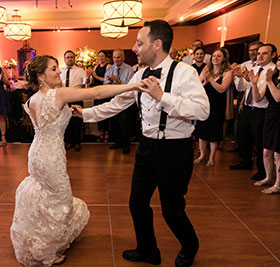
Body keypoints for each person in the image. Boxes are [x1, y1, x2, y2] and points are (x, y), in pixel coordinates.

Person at [72, 20, 209, 266]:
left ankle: (190, 245)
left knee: (172, 209)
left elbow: (202, 110)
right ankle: (148, 251)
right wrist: (85, 115)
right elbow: (118, 104)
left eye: (139, 43)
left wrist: (162, 96)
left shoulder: (184, 72)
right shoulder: (139, 74)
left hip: (175, 150)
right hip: (146, 147)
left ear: (157, 44)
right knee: (137, 203)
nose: (134, 48)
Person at [10, 55, 149, 266]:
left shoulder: (32, 100)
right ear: (41, 76)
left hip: (36, 153)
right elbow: (96, 92)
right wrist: (134, 86)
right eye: (54, 69)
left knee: (45, 197)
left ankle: (39, 240)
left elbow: (48, 121)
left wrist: (71, 113)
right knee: (60, 201)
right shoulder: (59, 94)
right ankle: (48, 251)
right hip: (51, 157)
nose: (59, 72)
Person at [230, 44, 276, 180]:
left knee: (260, 141)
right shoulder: (253, 68)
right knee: (242, 135)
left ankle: (262, 171)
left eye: (264, 53)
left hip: (262, 110)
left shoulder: (274, 70)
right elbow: (242, 88)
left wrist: (252, 82)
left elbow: (263, 92)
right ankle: (246, 162)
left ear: (273, 55)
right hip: (248, 107)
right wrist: (239, 77)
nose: (260, 56)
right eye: (259, 53)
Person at [193, 48, 233, 167]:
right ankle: (202, 155)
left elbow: (222, 89)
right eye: (214, 56)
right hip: (205, 103)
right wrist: (205, 82)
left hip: (218, 104)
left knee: (214, 130)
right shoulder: (207, 69)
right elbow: (198, 85)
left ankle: (211, 157)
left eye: (218, 56)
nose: (215, 58)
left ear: (224, 58)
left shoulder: (228, 71)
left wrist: (210, 80)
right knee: (202, 129)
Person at [250, 52, 280, 194]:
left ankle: (278, 184)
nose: (279, 62)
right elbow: (257, 98)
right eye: (279, 60)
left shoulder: (270, 80)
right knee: (266, 150)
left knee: (278, 154)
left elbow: (278, 97)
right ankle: (268, 177)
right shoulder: (272, 78)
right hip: (271, 115)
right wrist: (254, 85)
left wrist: (268, 81)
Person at [104, 49, 135, 154]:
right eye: (114, 57)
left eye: (118, 57)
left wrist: (118, 81)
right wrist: (109, 81)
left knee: (126, 124)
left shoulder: (129, 69)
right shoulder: (110, 69)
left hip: (125, 100)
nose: (115, 59)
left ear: (123, 58)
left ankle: (126, 145)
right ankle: (118, 142)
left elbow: (131, 86)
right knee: (114, 123)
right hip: (113, 100)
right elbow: (105, 84)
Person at [60, 50, 87, 151]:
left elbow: (86, 82)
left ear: (74, 58)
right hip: (64, 98)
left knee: (76, 121)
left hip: (76, 97)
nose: (70, 59)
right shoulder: (60, 70)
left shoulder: (80, 70)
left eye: (72, 57)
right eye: (68, 57)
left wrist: (88, 80)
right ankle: (68, 141)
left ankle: (77, 142)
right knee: (65, 121)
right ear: (64, 59)